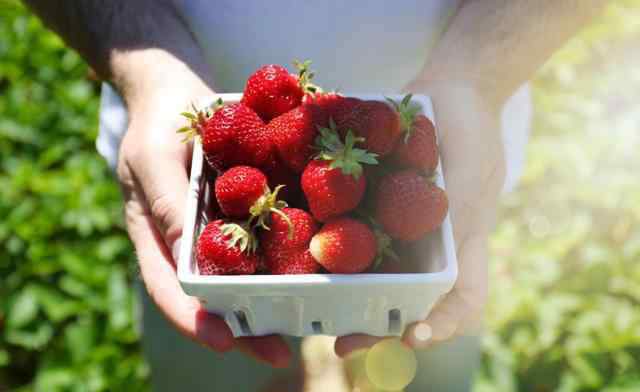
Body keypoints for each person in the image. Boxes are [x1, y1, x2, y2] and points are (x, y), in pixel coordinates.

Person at [25, 1, 608, 390]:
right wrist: (147, 73)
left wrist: (477, 77)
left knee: (420, 365)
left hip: (453, 146)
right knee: (214, 368)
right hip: (179, 160)